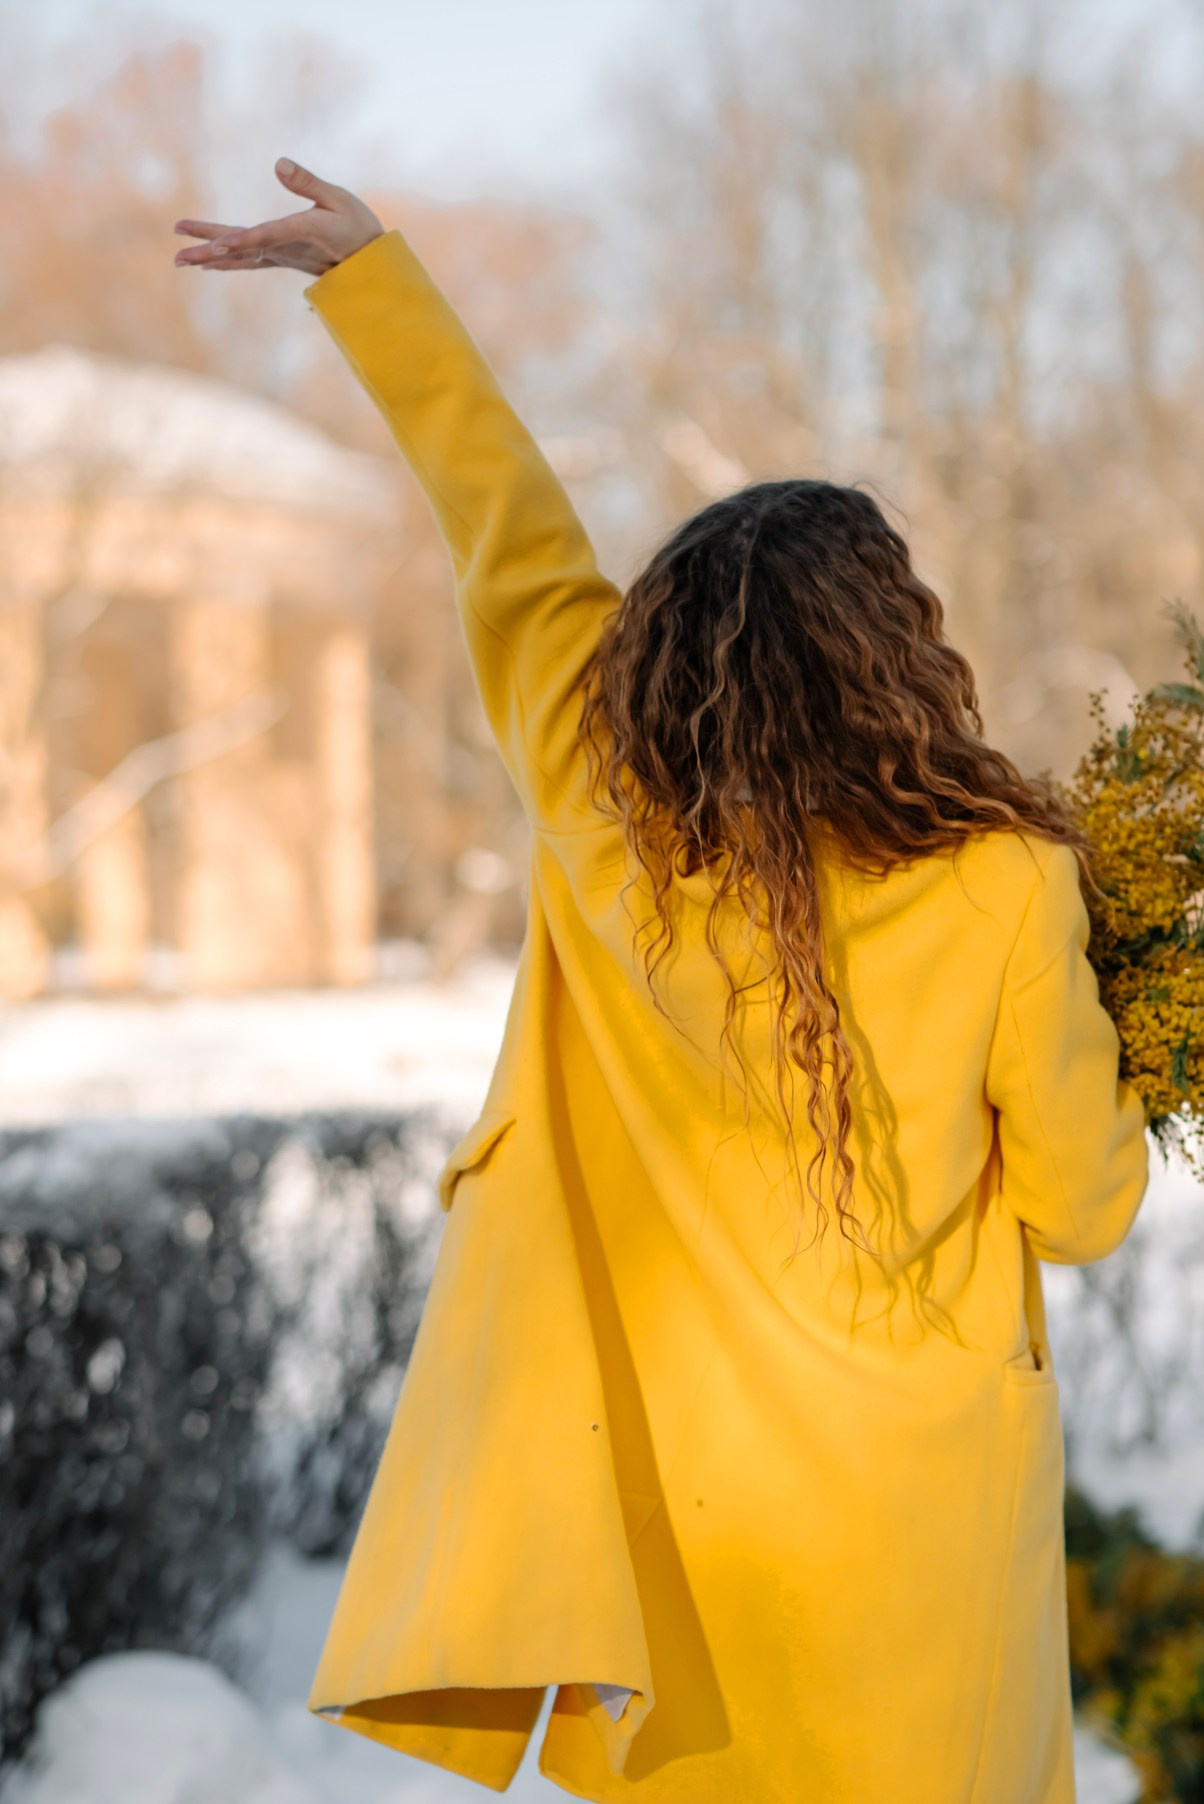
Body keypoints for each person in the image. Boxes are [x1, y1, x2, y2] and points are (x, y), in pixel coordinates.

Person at [173, 159, 1150, 1804]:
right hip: (925, 1520)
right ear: (897, 654)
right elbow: (1082, 1200)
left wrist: (375, 284)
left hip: (687, 1535)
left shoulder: (598, 821)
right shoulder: (1001, 881)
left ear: (660, 669)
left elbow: (511, 533)